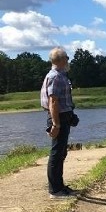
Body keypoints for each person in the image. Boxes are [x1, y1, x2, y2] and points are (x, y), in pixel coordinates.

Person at [40, 47, 78, 199]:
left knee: (61, 152)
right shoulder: (56, 77)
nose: (68, 60)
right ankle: (55, 191)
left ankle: (60, 186)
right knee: (56, 153)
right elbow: (53, 101)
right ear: (62, 60)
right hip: (58, 118)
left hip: (63, 116)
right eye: (67, 57)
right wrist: (56, 124)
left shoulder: (60, 75)